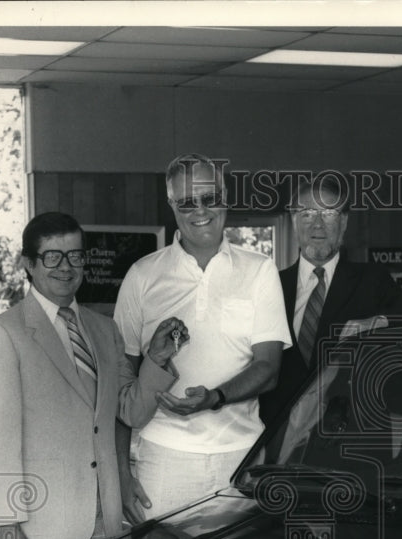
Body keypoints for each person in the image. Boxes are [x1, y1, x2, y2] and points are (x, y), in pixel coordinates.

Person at [0, 211, 178, 539]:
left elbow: (130, 411)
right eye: (52, 256)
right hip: (43, 528)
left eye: (75, 255)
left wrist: (156, 360)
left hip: (109, 524)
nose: (65, 267)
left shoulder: (103, 328)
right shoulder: (3, 332)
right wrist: (7, 524)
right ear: (29, 264)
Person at [114, 153, 291, 519]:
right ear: (171, 205)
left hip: (242, 456)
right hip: (163, 460)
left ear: (225, 196)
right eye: (187, 202)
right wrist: (120, 472)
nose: (200, 211)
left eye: (210, 198)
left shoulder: (259, 270)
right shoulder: (142, 275)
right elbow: (120, 383)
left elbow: (269, 368)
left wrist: (215, 397)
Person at [260, 175, 402, 425]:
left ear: (344, 222)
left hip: (349, 437)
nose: (318, 224)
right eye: (307, 213)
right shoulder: (270, 285)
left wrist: (377, 322)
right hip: (278, 438)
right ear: (294, 220)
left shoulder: (372, 280)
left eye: (328, 214)